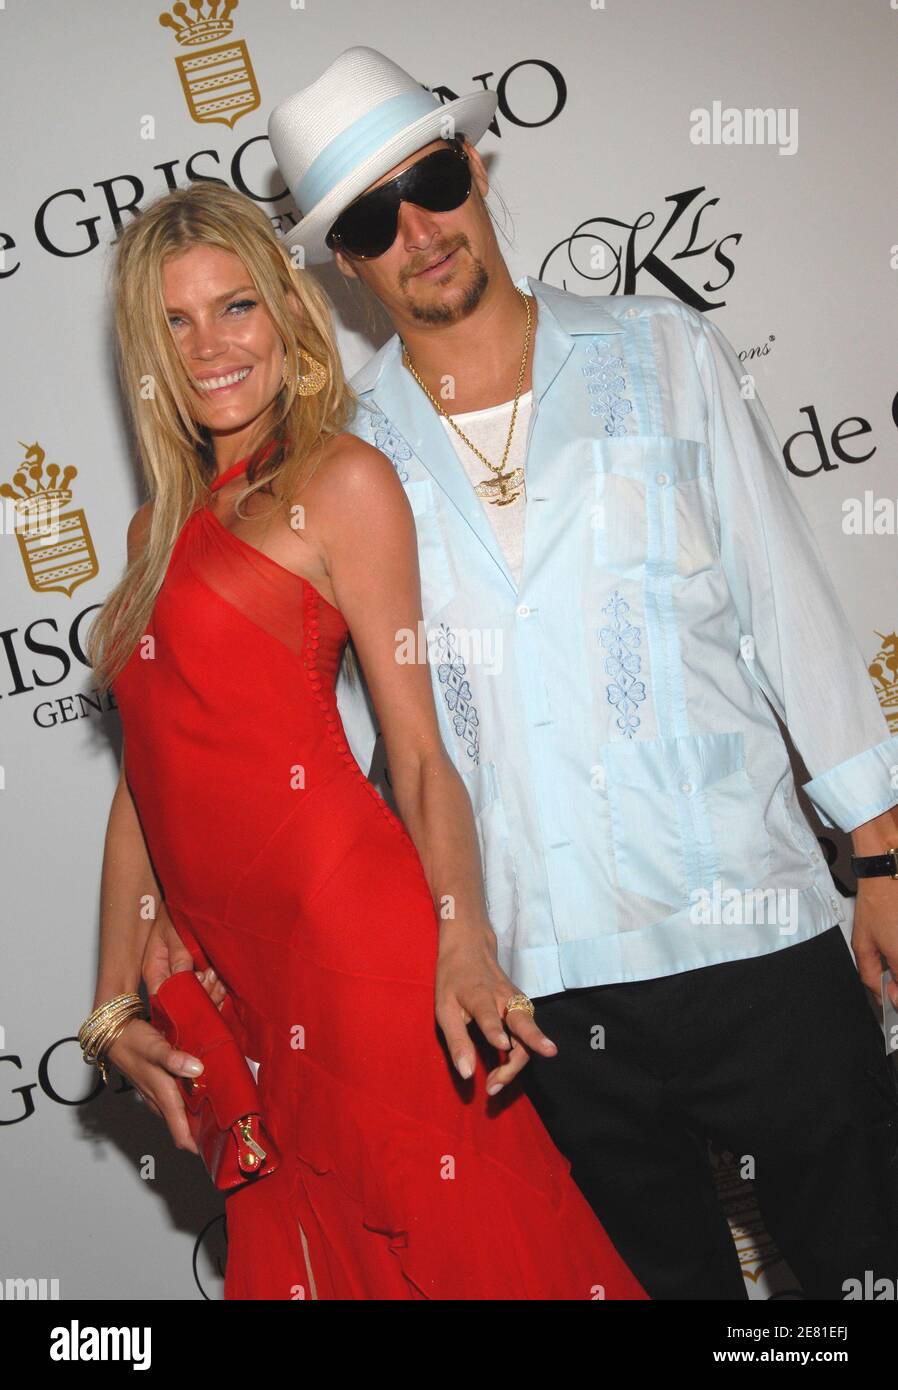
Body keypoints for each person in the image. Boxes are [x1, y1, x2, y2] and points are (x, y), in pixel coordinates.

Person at [259, 46, 897, 1298]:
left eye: (431, 179)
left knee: (861, 1270)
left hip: (750, 920)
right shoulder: (346, 465)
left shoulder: (661, 348)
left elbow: (788, 609)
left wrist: (876, 850)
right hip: (540, 987)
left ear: (477, 167)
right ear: (348, 261)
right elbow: (360, 750)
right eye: (375, 218)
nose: (421, 230)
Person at [80, 178, 647, 1301]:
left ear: (288, 313)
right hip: (232, 976)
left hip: (358, 955)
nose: (209, 348)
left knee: (464, 1250)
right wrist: (109, 1001)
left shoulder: (339, 482)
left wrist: (463, 937)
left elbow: (420, 751)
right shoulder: (154, 532)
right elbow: (147, 778)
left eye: (234, 307)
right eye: (176, 322)